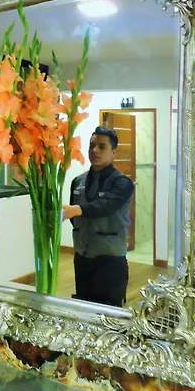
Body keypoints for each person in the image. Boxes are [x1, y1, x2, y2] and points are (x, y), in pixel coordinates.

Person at [62, 126, 135, 307]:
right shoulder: (78, 181)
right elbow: (75, 219)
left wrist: (77, 210)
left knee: (109, 314)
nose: (95, 150)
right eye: (92, 145)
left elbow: (105, 206)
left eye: (102, 146)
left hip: (110, 262)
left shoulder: (122, 183)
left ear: (113, 152)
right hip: (82, 259)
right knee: (84, 307)